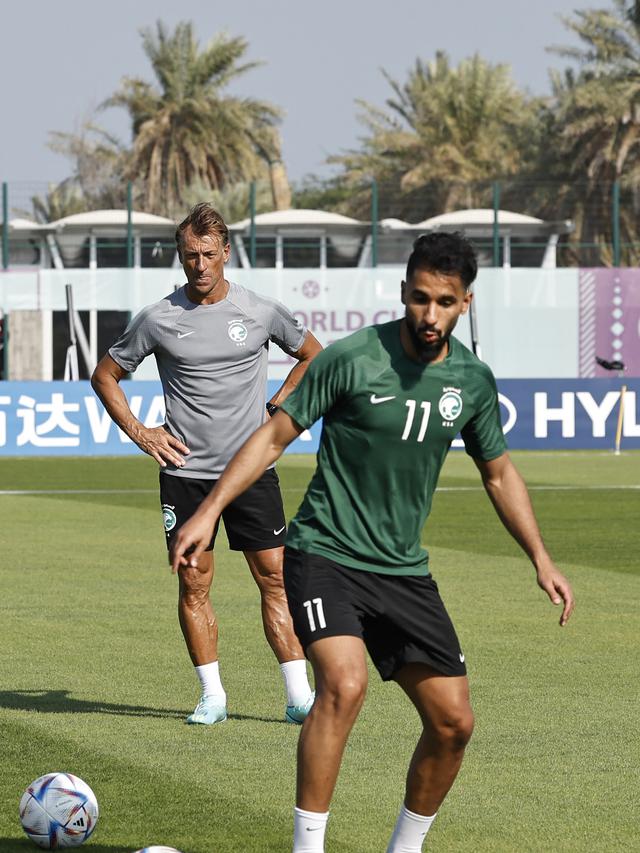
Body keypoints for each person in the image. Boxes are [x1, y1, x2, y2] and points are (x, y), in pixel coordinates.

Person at [169, 231, 575, 852]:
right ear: (403, 291)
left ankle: (403, 849)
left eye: (444, 301)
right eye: (418, 298)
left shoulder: (472, 380)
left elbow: (498, 472)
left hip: (404, 572)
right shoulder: (353, 358)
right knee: (345, 683)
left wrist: (541, 558)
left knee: (453, 723)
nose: (429, 314)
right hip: (324, 554)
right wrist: (209, 512)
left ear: (465, 302)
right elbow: (273, 437)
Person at [91, 202, 321, 726]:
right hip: (186, 475)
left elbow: (313, 356)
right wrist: (142, 432)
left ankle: (298, 696)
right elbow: (106, 375)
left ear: (226, 253)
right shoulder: (158, 318)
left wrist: (283, 402)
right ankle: (213, 696)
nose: (199, 265)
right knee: (194, 582)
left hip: (250, 471)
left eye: (208, 255)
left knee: (275, 579)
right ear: (180, 256)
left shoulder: (260, 311)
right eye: (190, 255)